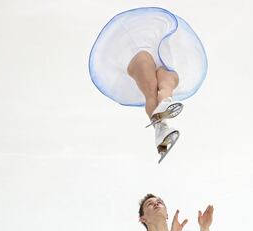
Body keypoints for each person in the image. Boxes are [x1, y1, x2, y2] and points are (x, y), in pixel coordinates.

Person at [89, 7, 208, 162]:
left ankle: (162, 120)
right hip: (138, 49)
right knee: (151, 89)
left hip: (156, 45)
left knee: (170, 79)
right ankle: (161, 120)